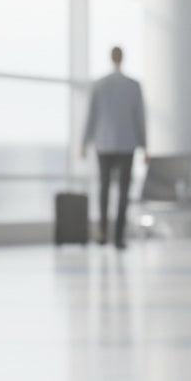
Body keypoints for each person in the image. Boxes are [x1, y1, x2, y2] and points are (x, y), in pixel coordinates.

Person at [80, 47, 148, 249]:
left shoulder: (99, 85)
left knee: (104, 188)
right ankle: (118, 237)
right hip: (127, 144)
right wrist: (145, 146)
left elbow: (90, 116)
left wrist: (84, 142)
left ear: (110, 58)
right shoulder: (133, 85)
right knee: (123, 191)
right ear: (122, 58)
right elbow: (140, 118)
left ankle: (102, 231)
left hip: (103, 144)